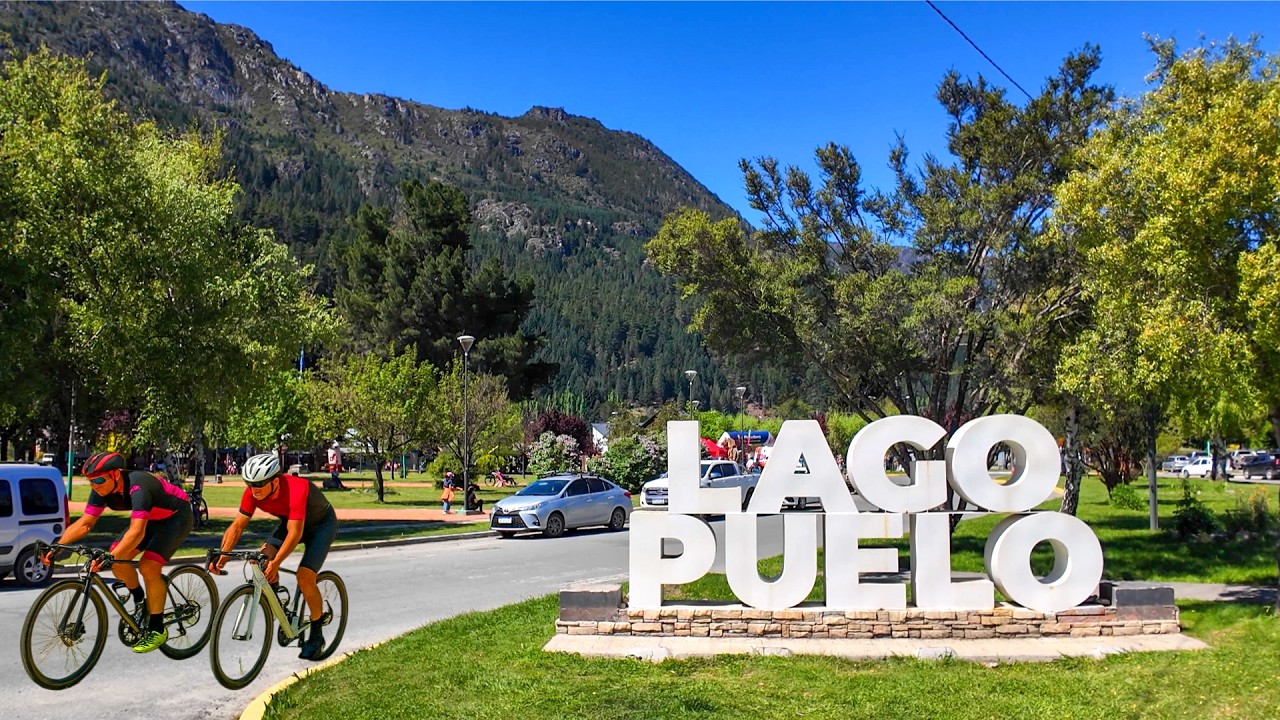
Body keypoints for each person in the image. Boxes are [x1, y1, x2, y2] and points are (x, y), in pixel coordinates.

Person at [44, 451, 194, 653]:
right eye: (90, 481)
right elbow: (85, 523)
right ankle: (140, 601)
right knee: (117, 557)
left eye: (98, 480)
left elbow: (137, 531)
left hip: (176, 518)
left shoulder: (139, 486)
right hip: (151, 519)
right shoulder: (100, 490)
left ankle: (157, 629)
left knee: (148, 566)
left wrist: (111, 558)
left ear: (115, 474)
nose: (94, 486)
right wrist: (57, 546)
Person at [209, 453, 337, 660]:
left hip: (321, 526)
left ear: (275, 481)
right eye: (250, 484)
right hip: (290, 522)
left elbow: (295, 534)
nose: (254, 489)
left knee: (304, 577)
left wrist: (276, 563)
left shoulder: (297, 488)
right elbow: (237, 526)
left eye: (259, 484)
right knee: (259, 560)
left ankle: (316, 632)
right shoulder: (252, 493)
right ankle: (280, 608)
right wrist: (222, 557)